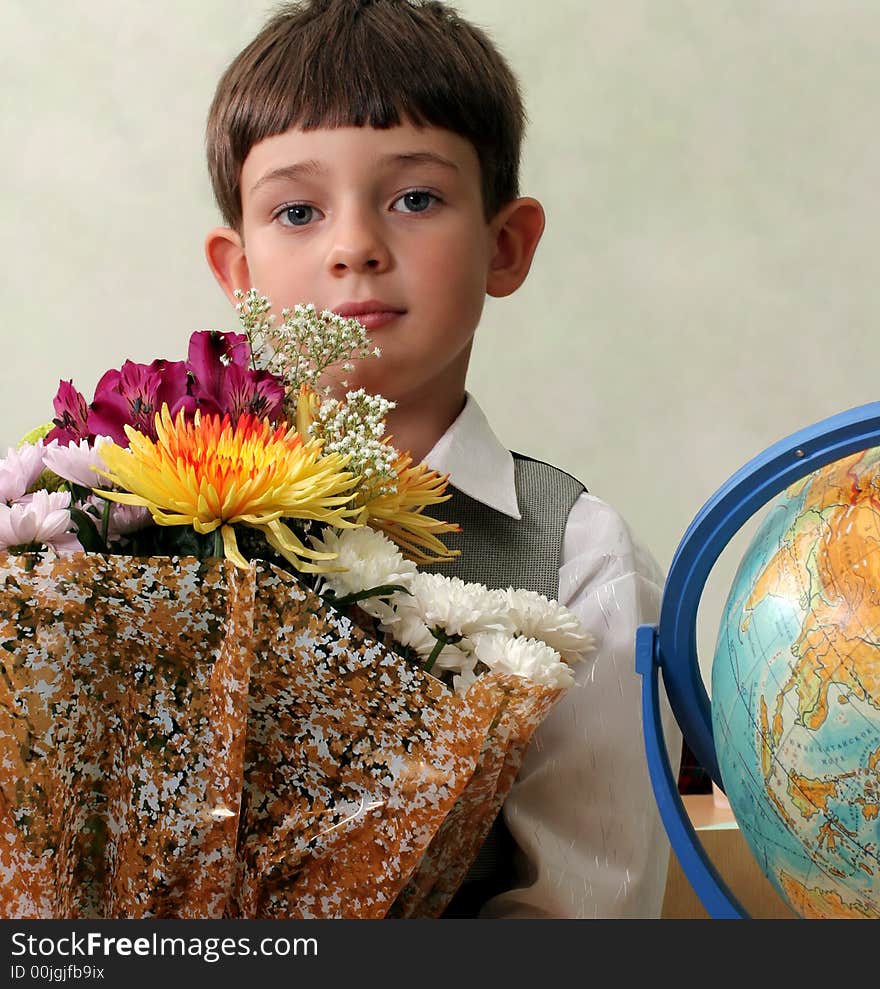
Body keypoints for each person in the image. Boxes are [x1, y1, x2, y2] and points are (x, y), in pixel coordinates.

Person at [203, 0, 680, 918]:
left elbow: (582, 914)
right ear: (239, 273)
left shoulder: (581, 559)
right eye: (297, 210)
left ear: (506, 245)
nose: (354, 248)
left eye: (414, 199)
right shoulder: (130, 528)